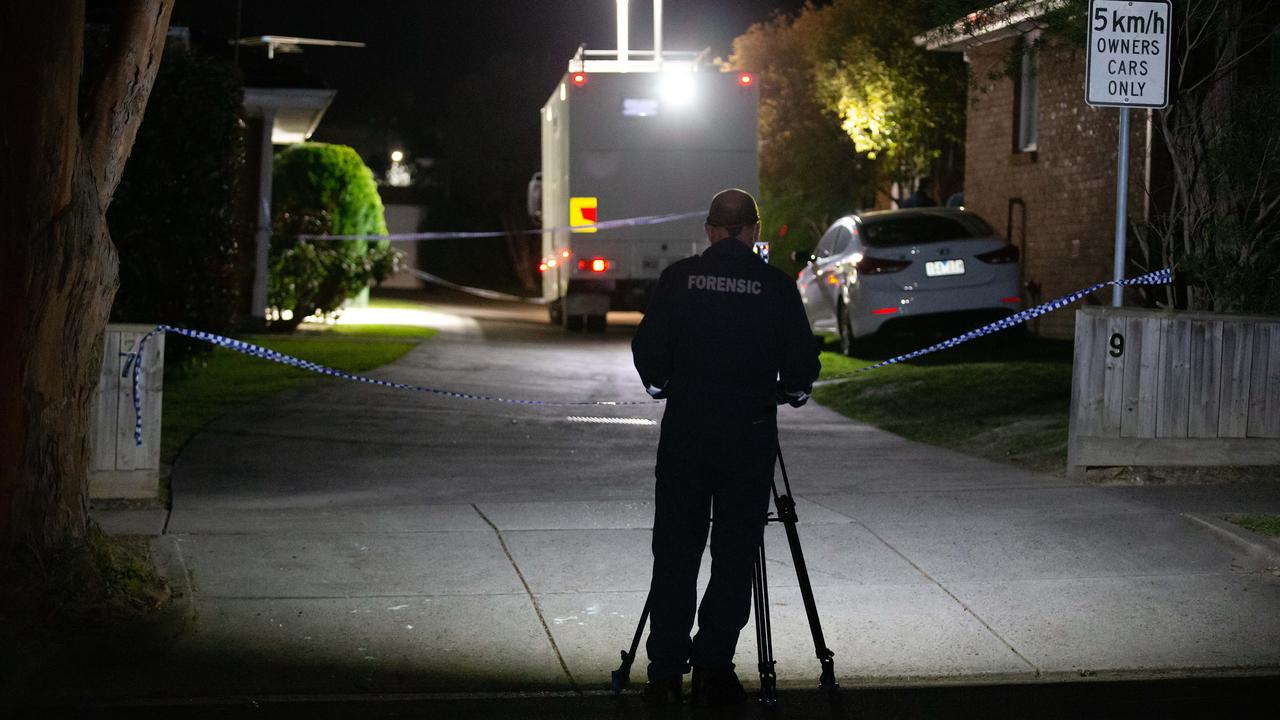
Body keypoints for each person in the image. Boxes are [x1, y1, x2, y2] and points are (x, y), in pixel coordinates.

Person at [631, 188, 821, 707]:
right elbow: (803, 366)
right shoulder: (776, 287)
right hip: (749, 437)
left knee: (675, 552)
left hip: (687, 437)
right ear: (753, 231)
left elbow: (648, 352)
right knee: (735, 555)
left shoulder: (679, 280)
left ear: (711, 230)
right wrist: (791, 392)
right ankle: (714, 665)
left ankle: (665, 673)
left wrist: (663, 384)